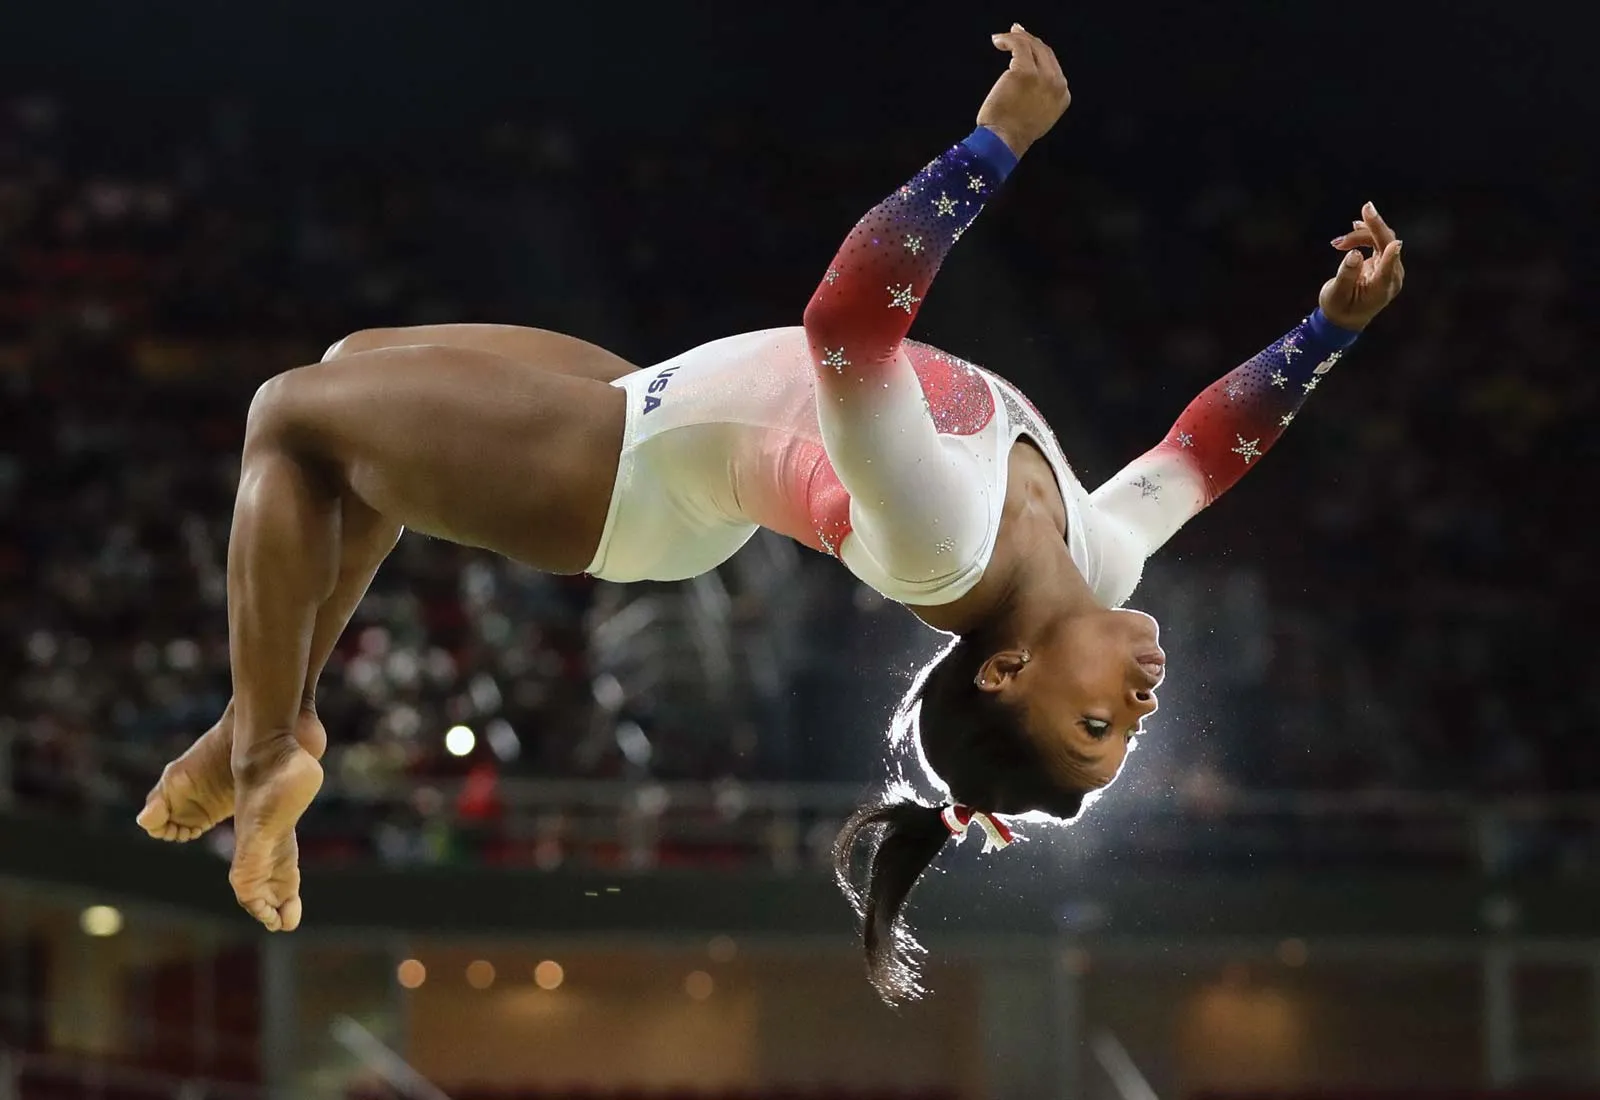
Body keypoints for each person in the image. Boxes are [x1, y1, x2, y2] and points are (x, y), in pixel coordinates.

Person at [135, 25, 1405, 1001]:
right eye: (1130, 724)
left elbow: (848, 321)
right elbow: (1203, 449)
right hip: (651, 401)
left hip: (619, 475)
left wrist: (992, 147)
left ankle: (263, 745)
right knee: (359, 370)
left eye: (1092, 725)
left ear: (1006, 669)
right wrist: (1324, 333)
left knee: (291, 415)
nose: (1140, 704)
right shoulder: (1098, 550)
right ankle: (259, 717)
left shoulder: (938, 541)